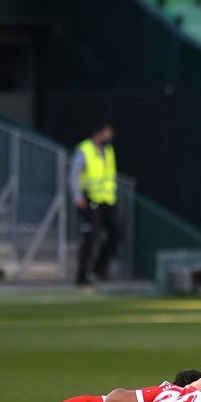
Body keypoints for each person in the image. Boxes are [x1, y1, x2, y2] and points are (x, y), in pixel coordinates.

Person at [69, 122, 123, 286]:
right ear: (98, 133)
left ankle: (99, 268)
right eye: (107, 133)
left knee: (118, 233)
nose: (109, 137)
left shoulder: (108, 150)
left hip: (107, 200)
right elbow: (74, 174)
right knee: (90, 238)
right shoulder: (85, 149)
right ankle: (82, 275)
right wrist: (77, 196)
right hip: (90, 201)